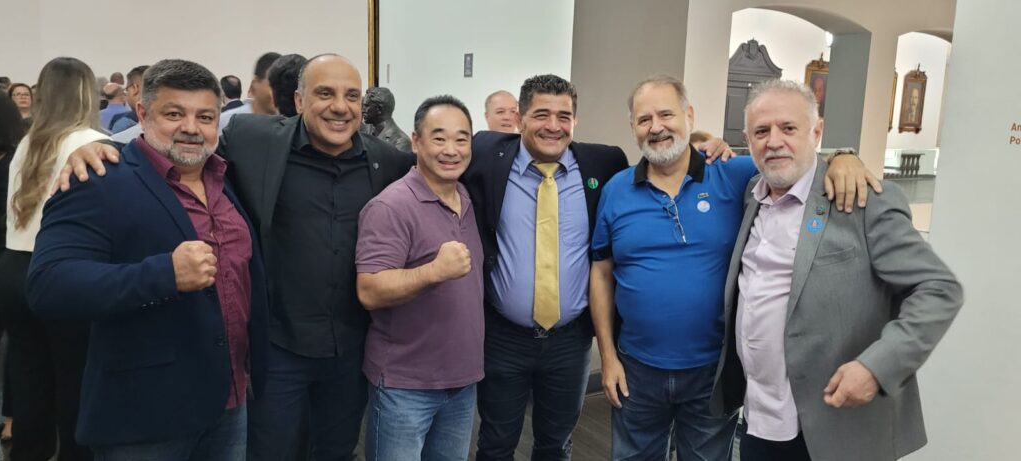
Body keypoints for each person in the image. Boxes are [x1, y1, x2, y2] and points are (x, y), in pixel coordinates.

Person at [58, 53, 415, 461]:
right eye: (324, 93)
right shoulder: (252, 139)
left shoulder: (387, 161)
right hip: (276, 348)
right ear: (299, 101)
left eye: (351, 95)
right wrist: (101, 147)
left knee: (336, 450)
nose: (340, 106)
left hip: (349, 348)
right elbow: (177, 144)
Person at [589, 75, 876, 460]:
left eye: (666, 115)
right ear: (633, 127)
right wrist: (607, 357)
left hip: (715, 371)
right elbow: (601, 274)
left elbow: (790, 160)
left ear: (689, 116)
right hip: (636, 369)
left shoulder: (734, 174)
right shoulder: (616, 190)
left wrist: (844, 156)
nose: (656, 127)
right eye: (644, 119)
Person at [27, 58, 269, 461]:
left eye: (205, 117)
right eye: (174, 114)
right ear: (142, 113)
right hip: (145, 414)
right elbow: (48, 285)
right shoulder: (98, 179)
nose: (191, 127)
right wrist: (163, 274)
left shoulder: (227, 176)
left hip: (229, 401)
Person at [710, 79, 963, 460]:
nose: (774, 141)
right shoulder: (751, 195)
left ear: (816, 131)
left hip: (838, 428)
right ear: (747, 139)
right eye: (761, 131)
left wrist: (877, 368)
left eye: (788, 128)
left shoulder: (862, 200)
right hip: (761, 420)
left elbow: (939, 288)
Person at [462, 74, 630, 460]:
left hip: (570, 342)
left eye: (563, 116)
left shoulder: (605, 162)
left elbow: (658, 168)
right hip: (503, 338)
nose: (553, 126)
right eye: (541, 114)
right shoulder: (485, 153)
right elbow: (432, 157)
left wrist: (709, 148)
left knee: (556, 445)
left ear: (575, 120)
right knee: (495, 443)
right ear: (519, 118)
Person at [356, 95, 483, 461]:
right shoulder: (391, 206)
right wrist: (433, 271)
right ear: (416, 142)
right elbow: (369, 290)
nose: (451, 150)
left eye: (461, 139)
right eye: (439, 138)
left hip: (462, 381)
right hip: (405, 385)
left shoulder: (464, 196)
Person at [0, 56, 102, 461]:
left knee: (29, 379)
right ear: (87, 94)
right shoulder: (95, 143)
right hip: (64, 272)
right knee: (77, 382)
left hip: (14, 268)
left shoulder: (27, 143)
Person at [0, 90, 26, 445]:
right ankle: (11, 419)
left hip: (7, 258)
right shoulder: (19, 160)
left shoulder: (17, 160)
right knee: (16, 344)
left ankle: (11, 418)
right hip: (11, 257)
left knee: (17, 344)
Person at [218, 52, 280, 133]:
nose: (279, 93)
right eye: (273, 85)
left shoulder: (288, 126)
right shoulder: (227, 121)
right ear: (255, 84)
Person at [360, 87, 411, 152]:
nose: (362, 110)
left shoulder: (400, 141)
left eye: (366, 106)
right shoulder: (366, 130)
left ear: (379, 109)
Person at [109, 65, 150, 134]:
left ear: (135, 88)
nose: (126, 94)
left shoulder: (123, 124)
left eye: (127, 89)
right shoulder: (166, 118)